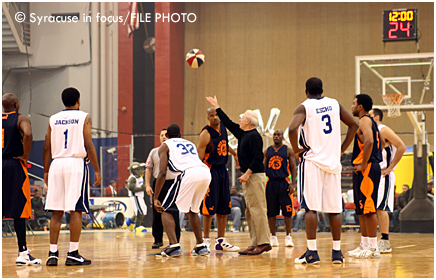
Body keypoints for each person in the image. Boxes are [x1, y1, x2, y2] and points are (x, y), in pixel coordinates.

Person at [288, 77, 358, 264]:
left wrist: (296, 150)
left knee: (311, 208)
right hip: (333, 163)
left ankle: (312, 252)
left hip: (312, 162)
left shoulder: (304, 107)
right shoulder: (335, 104)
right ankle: (337, 253)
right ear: (322, 89)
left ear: (306, 91)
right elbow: (354, 124)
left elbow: (292, 128)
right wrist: (341, 148)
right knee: (334, 208)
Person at [206, 96, 272, 256]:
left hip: (254, 176)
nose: (240, 119)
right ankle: (254, 242)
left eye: (242, 118)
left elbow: (258, 159)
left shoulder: (255, 136)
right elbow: (227, 122)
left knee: (258, 210)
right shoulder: (243, 133)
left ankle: (264, 242)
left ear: (248, 121)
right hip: (248, 176)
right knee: (250, 211)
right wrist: (218, 106)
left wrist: (247, 174)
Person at [43, 87, 101, 266]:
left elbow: (46, 146)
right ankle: (73, 253)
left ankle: (53, 254)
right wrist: (97, 169)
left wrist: (46, 171)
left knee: (56, 211)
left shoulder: (52, 119)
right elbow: (89, 144)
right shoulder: (84, 117)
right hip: (75, 164)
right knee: (76, 209)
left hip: (56, 164)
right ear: (78, 100)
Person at [153, 124, 211, 257]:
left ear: (166, 136)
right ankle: (201, 245)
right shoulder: (189, 143)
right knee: (192, 210)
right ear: (180, 135)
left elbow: (162, 173)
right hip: (205, 172)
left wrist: (156, 198)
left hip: (188, 173)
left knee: (165, 209)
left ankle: (173, 246)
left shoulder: (165, 145)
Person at [2, 93, 42, 266]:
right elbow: (28, 133)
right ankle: (23, 253)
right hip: (13, 165)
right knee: (20, 208)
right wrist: (25, 156)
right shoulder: (21, 119)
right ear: (16, 104)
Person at [197, 107, 240, 252]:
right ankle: (206, 240)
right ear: (208, 118)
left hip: (222, 170)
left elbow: (225, 145)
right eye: (211, 115)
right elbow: (199, 158)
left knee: (223, 207)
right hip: (210, 171)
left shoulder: (223, 127)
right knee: (209, 208)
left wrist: (234, 154)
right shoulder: (205, 134)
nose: (215, 117)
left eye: (216, 115)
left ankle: (221, 240)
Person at [348, 93, 383, 259]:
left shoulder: (364, 120)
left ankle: (374, 248)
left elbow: (369, 141)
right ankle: (365, 244)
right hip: (366, 167)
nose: (352, 106)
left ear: (360, 106)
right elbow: (379, 142)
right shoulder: (369, 121)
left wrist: (364, 163)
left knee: (368, 209)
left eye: (354, 103)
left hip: (367, 168)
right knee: (361, 209)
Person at [369, 108, 406, 253]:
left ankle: (385, 241)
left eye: (370, 115)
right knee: (372, 208)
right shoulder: (370, 131)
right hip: (374, 174)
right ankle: (371, 241)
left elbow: (401, 146)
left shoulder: (383, 130)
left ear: (377, 117)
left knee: (381, 208)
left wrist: (390, 167)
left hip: (384, 174)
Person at [145, 128, 180, 249]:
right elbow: (148, 169)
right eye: (161, 135)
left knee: (174, 212)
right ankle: (158, 240)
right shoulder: (154, 152)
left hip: (173, 183)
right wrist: (148, 185)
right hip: (158, 183)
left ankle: (175, 241)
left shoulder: (176, 151)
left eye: (166, 135)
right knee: (157, 212)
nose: (163, 137)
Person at [264, 129, 297, 247]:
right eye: (275, 135)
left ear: (282, 136)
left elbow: (293, 167)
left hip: (284, 183)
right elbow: (263, 168)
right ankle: (273, 236)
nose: (276, 136)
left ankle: (288, 237)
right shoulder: (267, 151)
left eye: (279, 134)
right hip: (271, 183)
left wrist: (293, 183)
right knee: (271, 212)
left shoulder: (288, 150)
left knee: (287, 212)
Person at [125, 162, 147, 232]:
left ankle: (129, 221)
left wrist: (144, 187)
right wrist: (142, 188)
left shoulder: (140, 177)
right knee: (140, 212)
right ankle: (137, 226)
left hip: (140, 196)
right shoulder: (132, 178)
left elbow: (142, 186)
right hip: (135, 196)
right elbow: (131, 188)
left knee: (143, 210)